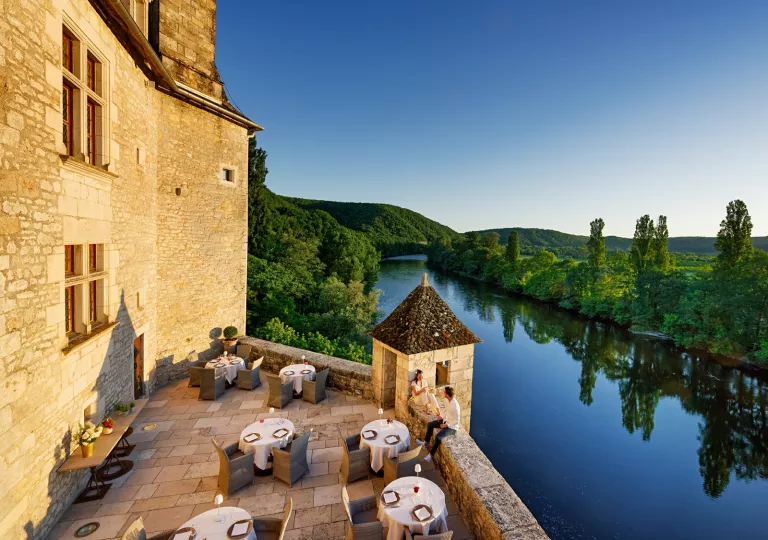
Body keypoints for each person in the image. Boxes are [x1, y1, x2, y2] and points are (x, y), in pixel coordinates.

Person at [417, 386, 459, 462]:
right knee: (430, 424)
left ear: (447, 394)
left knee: (438, 437)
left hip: (452, 428)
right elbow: (446, 412)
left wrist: (446, 425)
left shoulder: (455, 406)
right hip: (446, 421)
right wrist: (441, 417)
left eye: (444, 391)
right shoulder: (448, 401)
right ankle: (426, 443)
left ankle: (431, 455)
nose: (443, 392)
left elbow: (456, 421)